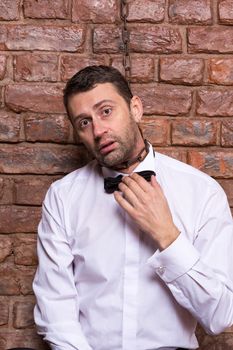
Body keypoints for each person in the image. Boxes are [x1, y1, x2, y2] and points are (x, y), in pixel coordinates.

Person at [33, 65, 233, 350]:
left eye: (106, 111)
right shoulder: (63, 197)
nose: (99, 130)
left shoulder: (202, 192)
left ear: (135, 108)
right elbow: (56, 311)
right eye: (84, 122)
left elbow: (220, 315)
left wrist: (167, 235)